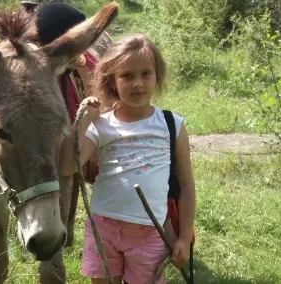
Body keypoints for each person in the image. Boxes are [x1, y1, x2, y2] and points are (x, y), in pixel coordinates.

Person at [59, 34, 196, 284]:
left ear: (157, 77)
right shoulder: (101, 125)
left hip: (149, 231)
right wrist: (85, 119)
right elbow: (67, 167)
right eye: (127, 76)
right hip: (103, 227)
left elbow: (186, 185)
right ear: (112, 79)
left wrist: (184, 238)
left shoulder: (171, 125)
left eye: (146, 74)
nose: (137, 84)